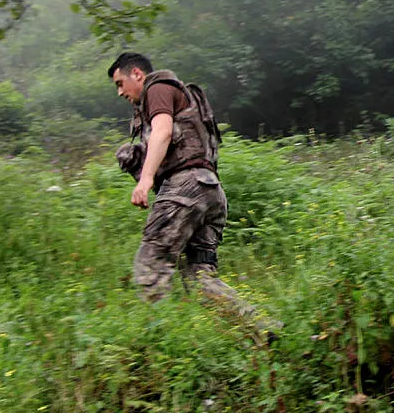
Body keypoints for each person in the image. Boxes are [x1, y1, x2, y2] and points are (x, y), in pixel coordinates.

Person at [109, 52, 276, 340]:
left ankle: (158, 351)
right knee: (200, 281)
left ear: (137, 73)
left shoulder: (157, 88)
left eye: (120, 83)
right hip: (210, 191)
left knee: (150, 266)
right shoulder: (175, 94)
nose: (121, 92)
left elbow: (162, 132)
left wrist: (145, 180)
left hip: (185, 189)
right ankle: (264, 332)